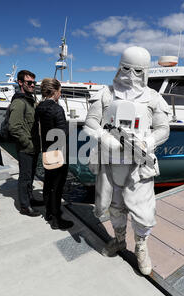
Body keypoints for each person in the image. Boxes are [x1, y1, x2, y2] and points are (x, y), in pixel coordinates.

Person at [84, 46, 171, 275]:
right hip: (110, 161)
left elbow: (163, 129)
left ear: (145, 71)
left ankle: (141, 247)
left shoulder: (153, 98)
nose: (130, 75)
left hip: (139, 164)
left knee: (143, 210)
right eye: (126, 69)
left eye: (136, 70)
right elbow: (90, 122)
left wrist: (147, 143)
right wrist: (104, 136)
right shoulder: (105, 93)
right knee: (114, 206)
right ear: (119, 67)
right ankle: (119, 239)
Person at [35, 78, 74, 230]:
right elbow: (61, 133)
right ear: (55, 92)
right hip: (58, 152)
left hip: (46, 150)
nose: (60, 94)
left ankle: (49, 212)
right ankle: (57, 219)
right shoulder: (57, 109)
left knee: (48, 183)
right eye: (60, 91)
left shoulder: (39, 107)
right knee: (57, 186)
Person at [7, 70, 42, 216]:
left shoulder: (30, 100)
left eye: (34, 82)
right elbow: (13, 127)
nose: (32, 85)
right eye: (29, 82)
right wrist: (27, 143)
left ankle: (30, 198)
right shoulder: (19, 102)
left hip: (33, 147)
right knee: (25, 177)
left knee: (31, 175)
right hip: (26, 148)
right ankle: (24, 206)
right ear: (20, 83)